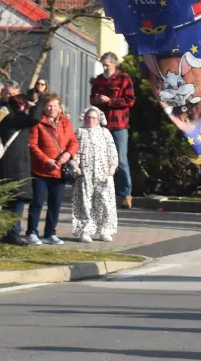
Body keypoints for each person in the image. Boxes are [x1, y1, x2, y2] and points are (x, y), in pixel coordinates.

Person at [0, 82, 43, 244]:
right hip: (16, 168)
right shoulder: (14, 119)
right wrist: (39, 101)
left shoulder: (7, 118)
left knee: (9, 202)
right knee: (18, 200)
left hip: (8, 167)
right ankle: (13, 235)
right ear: (21, 106)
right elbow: (35, 118)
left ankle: (7, 233)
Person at [27, 92, 78, 246]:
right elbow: (33, 145)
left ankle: (50, 232)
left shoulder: (65, 122)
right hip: (41, 170)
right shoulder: (38, 122)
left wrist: (67, 155)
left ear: (59, 106)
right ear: (44, 107)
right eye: (49, 105)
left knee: (55, 203)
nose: (52, 108)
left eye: (55, 105)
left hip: (59, 170)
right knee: (37, 202)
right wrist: (46, 160)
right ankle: (31, 232)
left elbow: (73, 141)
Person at [90, 52, 136, 209]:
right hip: (102, 125)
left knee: (121, 160)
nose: (104, 67)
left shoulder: (124, 79)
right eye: (103, 64)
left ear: (115, 64)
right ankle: (103, 193)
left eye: (107, 64)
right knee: (101, 160)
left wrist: (110, 101)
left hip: (119, 125)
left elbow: (129, 101)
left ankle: (125, 194)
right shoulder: (99, 80)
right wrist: (97, 100)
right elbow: (91, 98)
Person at [72, 106, 119, 243]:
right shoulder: (80, 132)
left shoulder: (105, 132)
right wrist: (76, 167)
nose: (90, 120)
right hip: (85, 174)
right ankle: (85, 230)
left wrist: (112, 166)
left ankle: (105, 229)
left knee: (105, 202)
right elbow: (75, 151)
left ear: (99, 119)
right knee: (85, 203)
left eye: (93, 118)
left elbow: (112, 151)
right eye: (88, 117)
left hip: (103, 174)